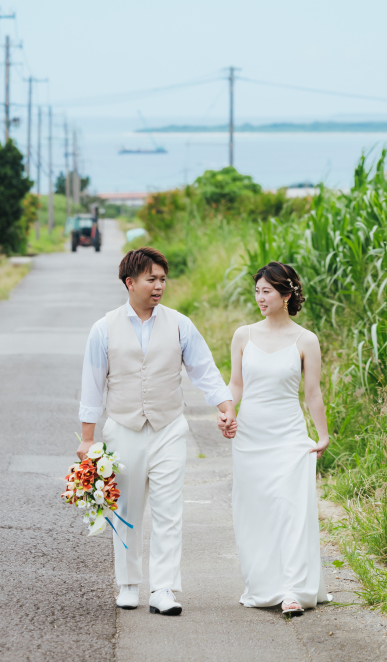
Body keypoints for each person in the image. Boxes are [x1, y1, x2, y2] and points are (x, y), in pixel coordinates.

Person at [77, 246, 236, 615]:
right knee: (126, 509)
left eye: (163, 279)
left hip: (169, 428)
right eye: (152, 279)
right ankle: (129, 584)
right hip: (123, 428)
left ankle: (163, 589)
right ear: (130, 282)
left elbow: (204, 370)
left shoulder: (180, 324)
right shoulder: (104, 328)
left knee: (168, 511)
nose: (159, 286)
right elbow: (92, 384)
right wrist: (87, 437)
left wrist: (225, 406)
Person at [226, 261, 331, 615]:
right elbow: (236, 385)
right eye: (257, 291)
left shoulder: (306, 340)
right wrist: (226, 411)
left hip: (289, 435)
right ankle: (263, 584)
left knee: (291, 509)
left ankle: (293, 590)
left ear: (286, 295)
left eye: (266, 291)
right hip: (249, 437)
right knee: (255, 511)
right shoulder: (243, 335)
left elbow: (312, 393)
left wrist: (322, 434)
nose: (260, 297)